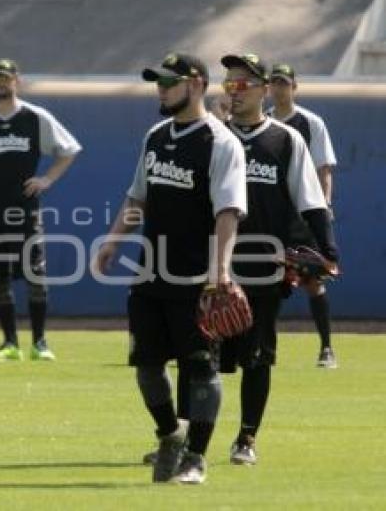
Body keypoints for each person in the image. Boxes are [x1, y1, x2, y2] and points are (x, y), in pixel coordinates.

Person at [94, 53, 247, 484]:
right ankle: (169, 433)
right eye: (157, 82)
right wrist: (112, 241)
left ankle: (196, 458)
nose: (161, 88)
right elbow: (137, 197)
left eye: (169, 81)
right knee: (146, 366)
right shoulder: (157, 136)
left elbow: (229, 211)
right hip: (150, 273)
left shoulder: (220, 142)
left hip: (196, 276)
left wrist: (220, 270)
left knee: (200, 368)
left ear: (196, 84)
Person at [219, 53, 339, 465]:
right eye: (229, 84)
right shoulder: (213, 136)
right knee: (200, 355)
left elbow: (311, 199)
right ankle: (185, 438)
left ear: (264, 89)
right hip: (211, 265)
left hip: (263, 263)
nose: (234, 91)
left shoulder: (286, 140)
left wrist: (326, 246)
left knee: (257, 356)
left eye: (243, 84)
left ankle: (246, 439)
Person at [0, 59, 81, 362]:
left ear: (17, 80)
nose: (0, 83)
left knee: (36, 275)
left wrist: (47, 178)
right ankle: (10, 344)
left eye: (6, 77)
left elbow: (69, 149)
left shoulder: (34, 117)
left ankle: (40, 343)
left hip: (25, 211)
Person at [267, 63, 339, 368]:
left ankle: (326, 348)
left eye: (284, 83)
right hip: (271, 215)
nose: (279, 88)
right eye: (275, 83)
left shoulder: (310, 122)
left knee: (313, 281)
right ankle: (262, 348)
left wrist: (323, 207)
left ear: (294, 87)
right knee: (266, 281)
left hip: (303, 215)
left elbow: (323, 169)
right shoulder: (263, 121)